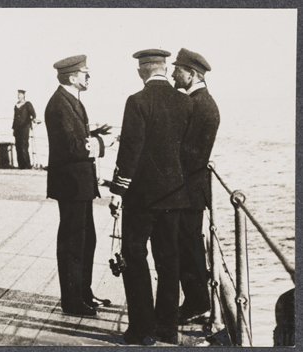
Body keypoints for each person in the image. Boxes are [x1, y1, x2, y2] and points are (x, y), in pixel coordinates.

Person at [109, 49, 193, 345]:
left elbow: (130, 149)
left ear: (142, 70)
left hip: (142, 197)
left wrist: (118, 190)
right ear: (165, 68)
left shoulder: (137, 101)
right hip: (174, 196)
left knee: (134, 256)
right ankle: (168, 328)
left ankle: (142, 330)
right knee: (169, 260)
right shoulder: (185, 101)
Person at [45, 55, 115, 317]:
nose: (88, 76)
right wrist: (103, 144)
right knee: (73, 243)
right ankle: (72, 301)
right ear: (72, 76)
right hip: (71, 185)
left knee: (86, 240)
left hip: (79, 184)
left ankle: (84, 293)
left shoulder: (71, 101)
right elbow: (72, 147)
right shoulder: (60, 105)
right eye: (85, 72)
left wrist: (95, 135)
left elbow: (75, 139)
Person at [171, 48, 220, 324]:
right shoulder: (198, 101)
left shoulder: (199, 104)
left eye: (178, 70)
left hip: (187, 190)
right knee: (188, 245)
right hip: (189, 188)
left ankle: (197, 303)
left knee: (188, 246)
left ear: (191, 74)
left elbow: (187, 153)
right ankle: (195, 301)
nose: (173, 73)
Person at [12, 90, 38, 169]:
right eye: (18, 95)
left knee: (24, 145)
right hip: (17, 128)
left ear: (23, 95)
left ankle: (27, 164)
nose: (18, 96)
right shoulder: (16, 105)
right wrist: (13, 128)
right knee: (18, 145)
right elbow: (15, 117)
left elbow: (33, 114)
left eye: (20, 94)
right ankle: (21, 164)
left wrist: (34, 119)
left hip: (24, 127)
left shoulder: (27, 104)